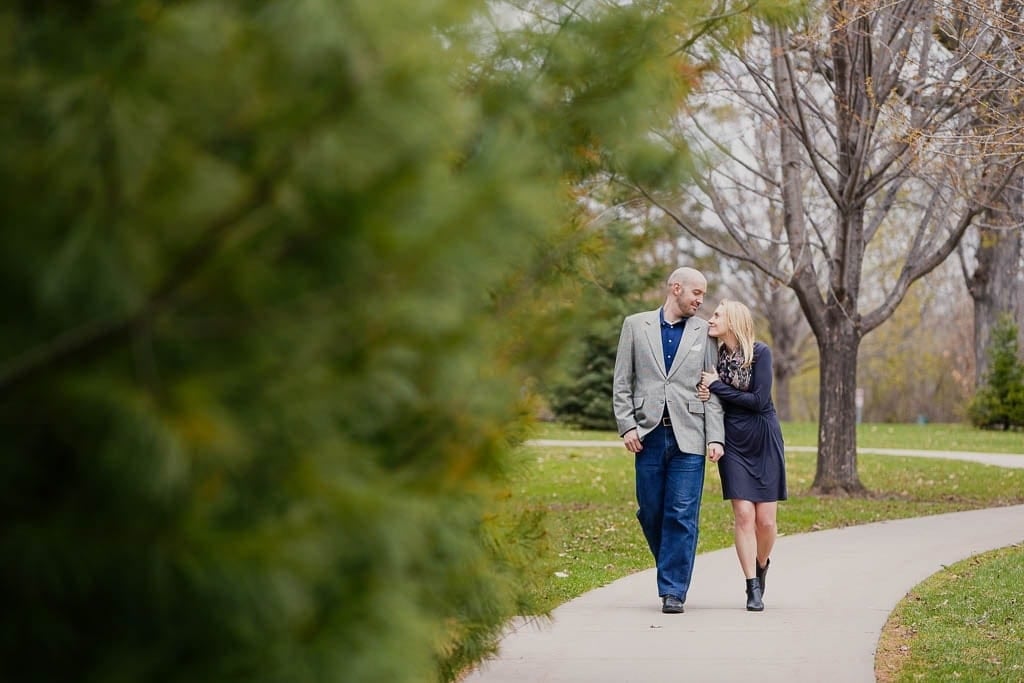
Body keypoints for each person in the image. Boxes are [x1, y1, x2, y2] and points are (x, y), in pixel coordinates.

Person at [612, 267, 725, 614]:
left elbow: (713, 388)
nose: (700, 301)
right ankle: (672, 561)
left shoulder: (704, 333)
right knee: (651, 512)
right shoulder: (635, 325)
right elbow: (622, 382)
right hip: (647, 435)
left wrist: (715, 437)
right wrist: (627, 425)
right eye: (697, 293)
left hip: (690, 436)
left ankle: (673, 590)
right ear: (676, 288)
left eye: (703, 296)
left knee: (681, 513)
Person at [699, 299, 787, 612]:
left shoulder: (760, 353)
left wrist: (717, 386)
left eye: (717, 315)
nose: (711, 319)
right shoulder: (713, 355)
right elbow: (710, 395)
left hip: (763, 437)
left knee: (766, 521)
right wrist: (708, 392)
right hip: (732, 440)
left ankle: (762, 563)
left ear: (733, 321)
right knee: (745, 516)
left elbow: (759, 400)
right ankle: (752, 587)